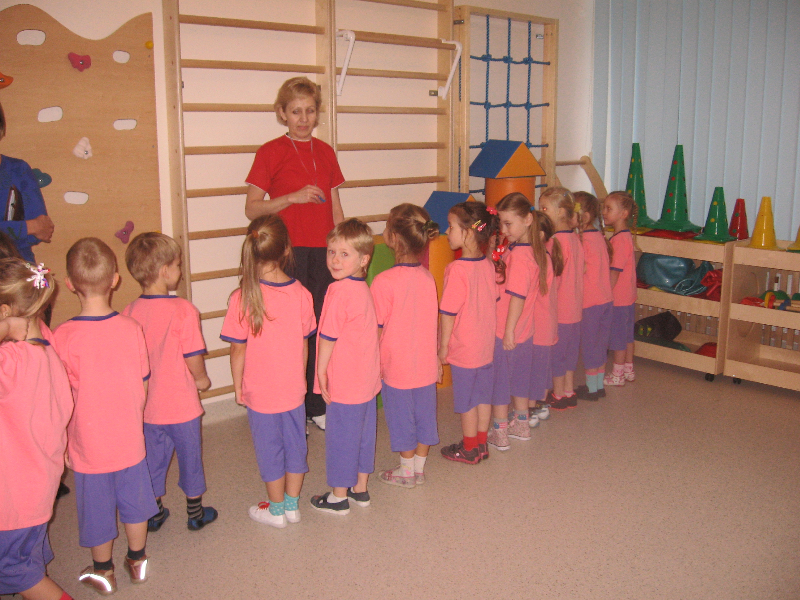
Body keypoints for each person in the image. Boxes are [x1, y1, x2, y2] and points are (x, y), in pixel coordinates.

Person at [53, 238, 156, 595]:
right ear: (114, 279)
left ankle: (103, 572)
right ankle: (138, 561)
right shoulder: (131, 328)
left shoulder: (62, 336)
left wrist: (62, 442)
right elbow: (143, 383)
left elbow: (60, 399)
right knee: (136, 503)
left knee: (95, 508)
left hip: (89, 443)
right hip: (129, 437)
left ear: (70, 284)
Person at [244, 77, 345, 432]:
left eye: (310, 111)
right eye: (296, 111)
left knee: (319, 328)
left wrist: (343, 249)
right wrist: (291, 198)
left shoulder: (326, 152)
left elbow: (335, 206)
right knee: (287, 333)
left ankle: (316, 403)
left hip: (323, 253)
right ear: (282, 113)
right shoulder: (270, 151)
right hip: (285, 255)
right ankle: (290, 405)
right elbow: (251, 208)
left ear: (317, 113)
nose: (303, 119)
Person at [220, 215, 316, 528]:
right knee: (295, 446)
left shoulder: (242, 297)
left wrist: (238, 387)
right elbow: (304, 344)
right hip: (293, 389)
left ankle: (276, 511)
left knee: (270, 450)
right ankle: (292, 506)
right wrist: (301, 380)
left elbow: (237, 350)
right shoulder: (301, 293)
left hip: (260, 393)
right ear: (287, 249)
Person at [122, 233, 217, 533]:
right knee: (191, 459)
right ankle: (195, 512)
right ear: (165, 271)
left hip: (148, 408)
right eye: (177, 265)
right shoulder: (184, 310)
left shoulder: (129, 312)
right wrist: (201, 379)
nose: (180, 270)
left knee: (151, 460)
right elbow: (192, 355)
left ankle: (154, 512)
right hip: (182, 406)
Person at [0, 259, 74, 600]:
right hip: (39, 484)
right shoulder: (48, 351)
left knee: (13, 569)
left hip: (13, 496)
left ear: (5, 312)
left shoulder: (10, 363)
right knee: (26, 557)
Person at [310, 219, 380, 514]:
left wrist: (320, 372)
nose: (335, 260)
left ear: (363, 259)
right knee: (363, 434)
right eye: (331, 252)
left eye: (344, 254)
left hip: (345, 381)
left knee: (341, 438)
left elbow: (327, 337)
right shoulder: (363, 287)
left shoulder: (338, 291)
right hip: (366, 380)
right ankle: (360, 489)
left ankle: (338, 496)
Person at [371, 204, 440, 488]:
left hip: (396, 367)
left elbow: (375, 330)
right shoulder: (427, 277)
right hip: (426, 365)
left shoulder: (383, 281)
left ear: (394, 238)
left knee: (402, 419)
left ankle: (406, 472)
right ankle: (418, 469)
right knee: (424, 417)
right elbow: (432, 323)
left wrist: (371, 363)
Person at [438, 202, 498, 465]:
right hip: (485, 346)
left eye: (451, 227)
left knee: (467, 401)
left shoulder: (457, 270)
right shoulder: (487, 265)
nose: (446, 231)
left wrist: (443, 346)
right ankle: (481, 444)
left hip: (465, 349)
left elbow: (448, 312)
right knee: (483, 397)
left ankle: (470, 448)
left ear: (469, 233)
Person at [488, 193, 548, 449]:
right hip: (525, 330)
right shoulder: (526, 249)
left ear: (528, 220)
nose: (504, 230)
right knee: (521, 379)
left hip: (506, 330)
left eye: (508, 224)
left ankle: (500, 431)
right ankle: (521, 425)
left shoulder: (522, 257)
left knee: (500, 381)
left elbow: (517, 297)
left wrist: (508, 331)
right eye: (501, 223)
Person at [539, 187, 584, 409]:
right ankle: (568, 390)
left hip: (560, 311)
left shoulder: (554, 241)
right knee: (569, 354)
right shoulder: (575, 238)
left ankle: (557, 394)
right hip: (575, 310)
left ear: (560, 212)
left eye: (545, 209)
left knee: (557, 354)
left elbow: (552, 278)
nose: (541, 212)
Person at [0, 103, 54, 264]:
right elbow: (33, 228)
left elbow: (42, 230)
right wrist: (28, 227)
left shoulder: (19, 169)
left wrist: (30, 228)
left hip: (20, 267)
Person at [574, 192, 613, 400]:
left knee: (590, 346)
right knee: (600, 345)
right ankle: (598, 385)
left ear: (585, 216)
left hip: (590, 303)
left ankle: (591, 389)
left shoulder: (582, 241)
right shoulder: (599, 237)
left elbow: (578, 271)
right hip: (606, 300)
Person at [528, 212, 563, 422]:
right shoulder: (545, 256)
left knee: (536, 370)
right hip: (546, 325)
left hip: (539, 326)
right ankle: (539, 405)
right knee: (541, 369)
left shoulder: (538, 259)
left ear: (539, 235)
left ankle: (533, 408)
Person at [602, 191, 638, 386]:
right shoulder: (624, 236)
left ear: (623, 214)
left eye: (609, 208)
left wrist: (605, 295)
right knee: (627, 336)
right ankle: (628, 369)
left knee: (618, 338)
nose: (604, 212)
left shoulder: (619, 240)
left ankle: (617, 374)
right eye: (604, 208)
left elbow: (614, 272)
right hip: (628, 297)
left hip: (618, 298)